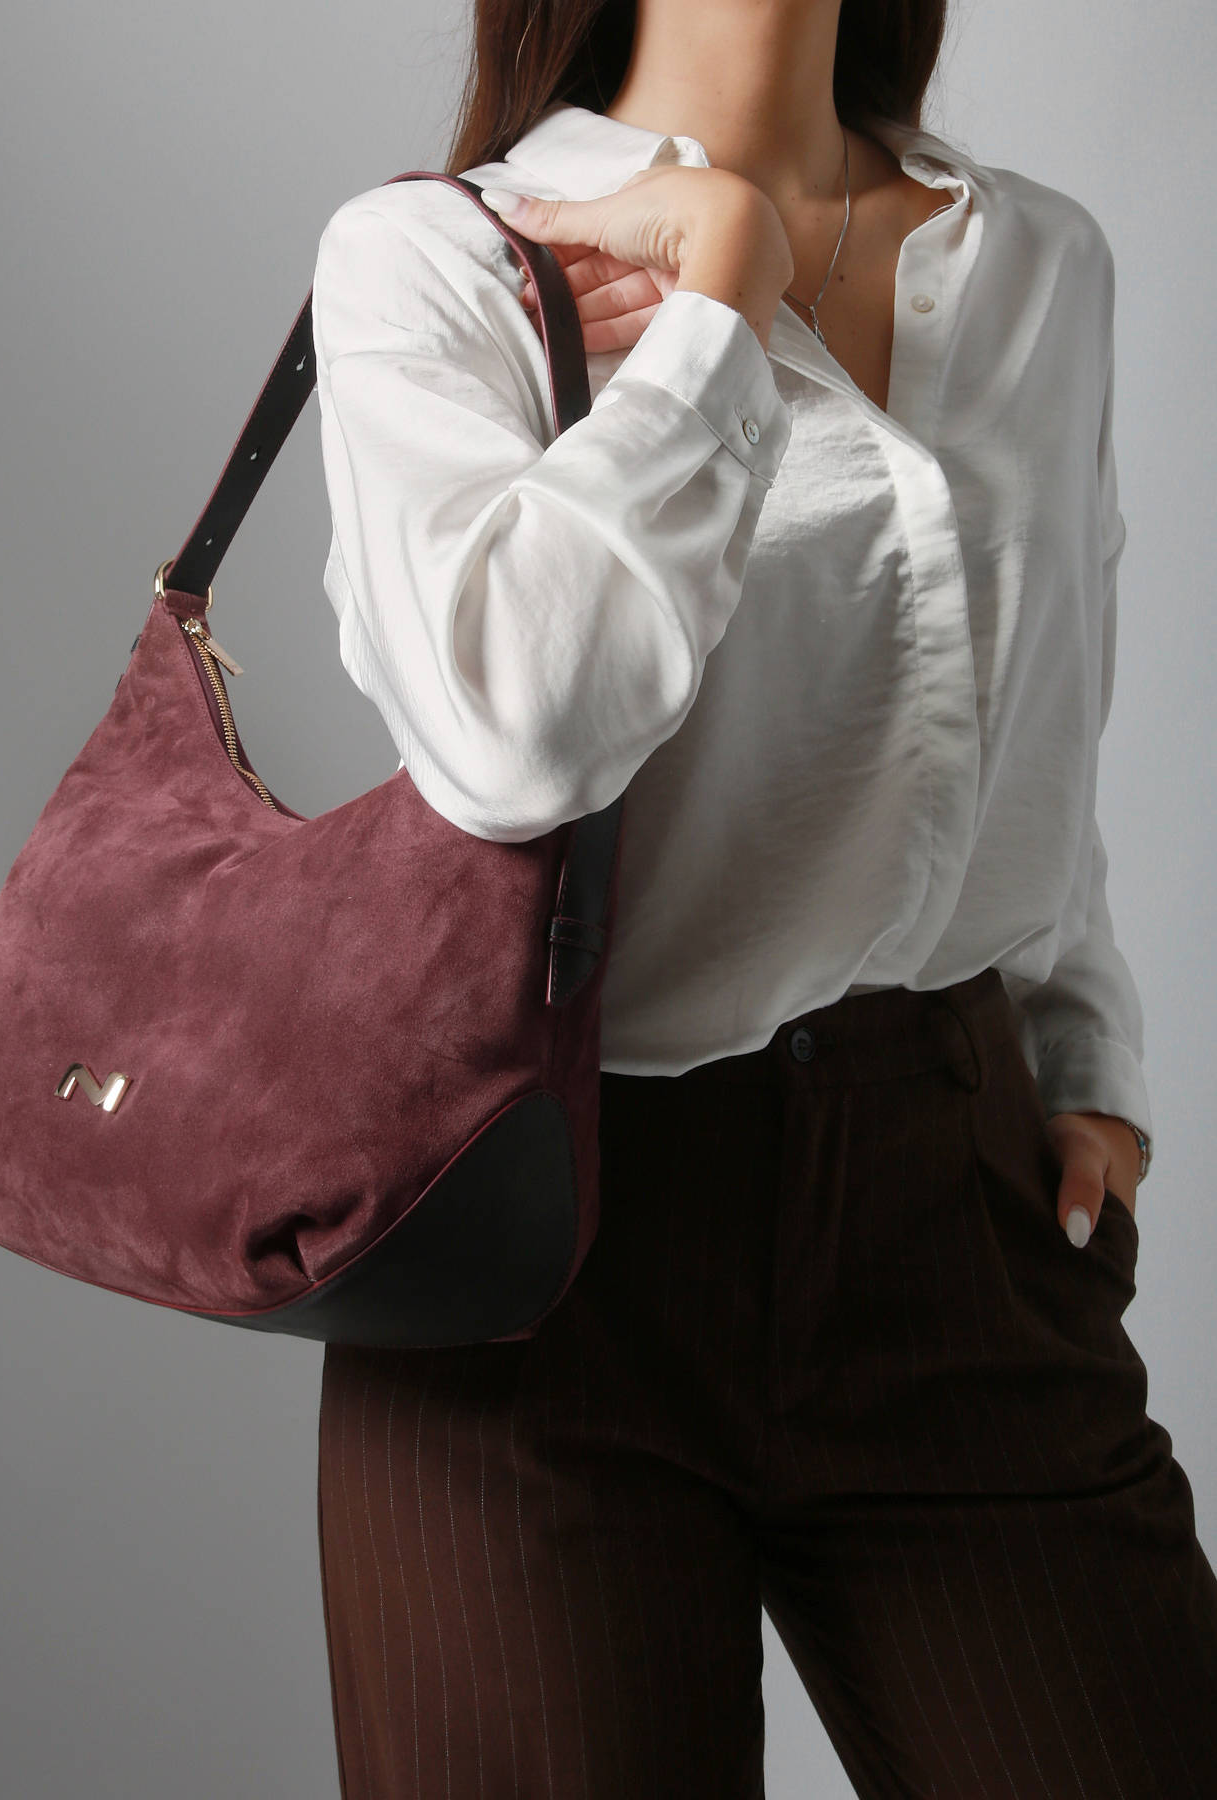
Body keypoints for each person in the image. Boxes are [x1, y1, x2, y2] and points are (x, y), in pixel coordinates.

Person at [308, 1, 1217, 1794]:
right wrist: (717, 303)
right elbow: (511, 735)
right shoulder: (440, 259)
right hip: (541, 1252)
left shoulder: (1033, 260)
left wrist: (1085, 1056)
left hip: (953, 1213)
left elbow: (1042, 711)